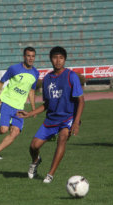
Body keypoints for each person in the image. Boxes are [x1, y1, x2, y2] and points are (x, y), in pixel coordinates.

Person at [17, 46, 85, 183]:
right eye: (55, 57)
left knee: (63, 137)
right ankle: (36, 160)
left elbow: (81, 101)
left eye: (61, 58)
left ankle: (50, 175)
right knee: (33, 146)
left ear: (65, 59)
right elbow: (47, 104)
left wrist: (76, 122)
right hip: (51, 119)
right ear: (51, 59)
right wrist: (29, 113)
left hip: (68, 118)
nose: (58, 61)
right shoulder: (47, 79)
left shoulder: (71, 76)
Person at [0, 47, 39, 160]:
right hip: (7, 103)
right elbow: (1, 82)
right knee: (3, 130)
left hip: (19, 107)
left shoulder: (35, 73)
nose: (31, 58)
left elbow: (31, 91)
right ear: (24, 57)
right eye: (28, 56)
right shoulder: (14, 68)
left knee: (15, 132)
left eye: (33, 56)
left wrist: (34, 109)